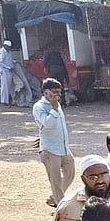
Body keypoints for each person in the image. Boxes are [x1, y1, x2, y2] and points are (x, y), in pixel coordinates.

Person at [34, 78, 75, 208]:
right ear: (46, 92)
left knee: (70, 172)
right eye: (55, 92)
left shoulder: (56, 104)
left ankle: (55, 196)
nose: (58, 95)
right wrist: (54, 109)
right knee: (55, 180)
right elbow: (49, 123)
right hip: (49, 150)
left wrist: (55, 106)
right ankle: (61, 207)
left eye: (59, 92)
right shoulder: (39, 107)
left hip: (63, 148)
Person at [0, 40, 15, 105]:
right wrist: (8, 67)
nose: (9, 48)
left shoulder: (8, 51)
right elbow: (0, 62)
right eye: (8, 46)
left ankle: (12, 99)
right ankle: (4, 101)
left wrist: (14, 63)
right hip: (4, 71)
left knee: (10, 86)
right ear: (4, 46)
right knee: (5, 86)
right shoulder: (1, 52)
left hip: (9, 70)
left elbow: (10, 60)